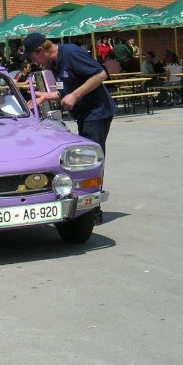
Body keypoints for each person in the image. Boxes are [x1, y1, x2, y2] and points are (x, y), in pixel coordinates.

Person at [22, 32, 117, 224]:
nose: (35, 63)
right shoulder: (54, 64)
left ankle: (93, 208)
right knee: (83, 159)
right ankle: (87, 204)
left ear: (41, 51)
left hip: (97, 112)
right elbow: (65, 92)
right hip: (84, 114)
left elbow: (101, 74)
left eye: (33, 58)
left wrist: (75, 95)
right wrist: (45, 97)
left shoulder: (71, 53)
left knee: (89, 160)